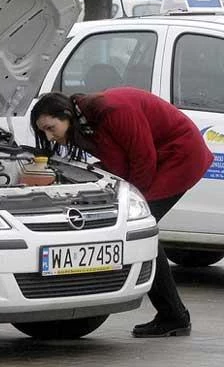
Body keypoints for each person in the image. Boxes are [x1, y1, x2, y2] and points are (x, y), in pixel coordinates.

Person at [30, 88, 213, 338]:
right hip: (159, 159)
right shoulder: (87, 121)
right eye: (43, 132)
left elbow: (143, 160)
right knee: (138, 230)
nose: (49, 137)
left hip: (179, 156)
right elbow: (118, 160)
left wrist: (129, 206)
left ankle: (174, 315)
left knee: (140, 231)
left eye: (51, 128)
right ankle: (172, 314)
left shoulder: (113, 111)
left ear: (66, 115)